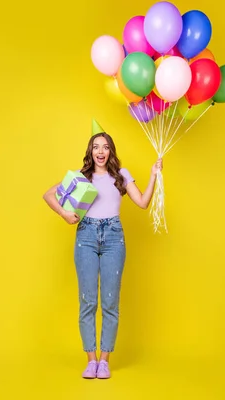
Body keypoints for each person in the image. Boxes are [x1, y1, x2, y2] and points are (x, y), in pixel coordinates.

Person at [43, 128, 163, 379]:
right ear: (90, 151)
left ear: (111, 151)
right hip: (86, 236)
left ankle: (105, 361)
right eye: (96, 146)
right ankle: (91, 360)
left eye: (105, 147)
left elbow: (142, 203)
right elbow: (48, 194)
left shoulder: (121, 175)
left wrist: (153, 175)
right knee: (88, 301)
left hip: (113, 237)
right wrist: (65, 214)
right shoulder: (80, 177)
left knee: (110, 302)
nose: (100, 151)